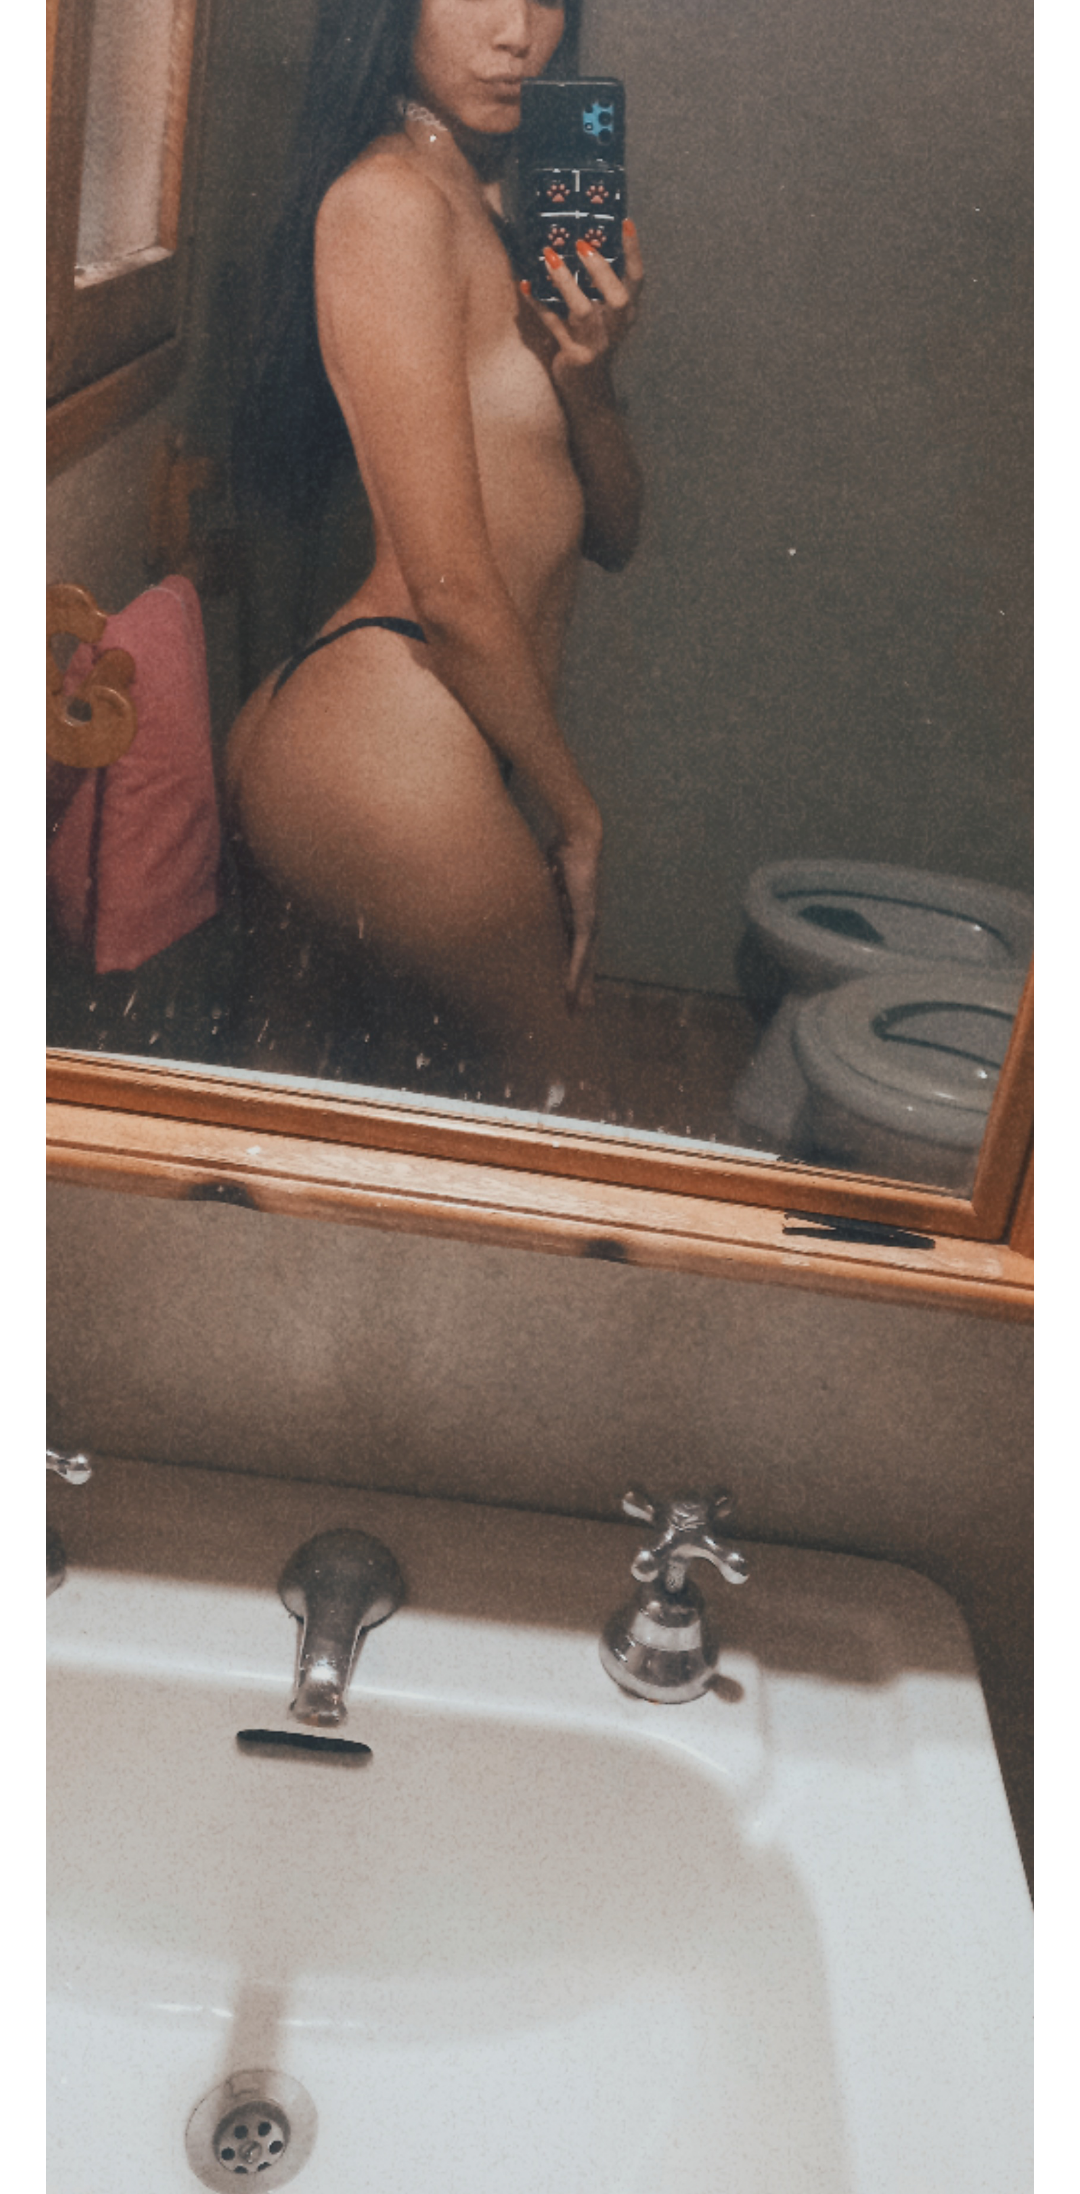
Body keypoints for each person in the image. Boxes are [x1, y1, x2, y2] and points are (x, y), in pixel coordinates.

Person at [226, 0, 643, 1111]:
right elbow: (450, 588)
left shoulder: (498, 203)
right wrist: (577, 812)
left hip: (415, 726)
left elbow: (613, 535)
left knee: (300, 1138)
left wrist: (590, 379)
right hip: (387, 737)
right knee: (577, 1124)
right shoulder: (389, 203)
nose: (516, 33)